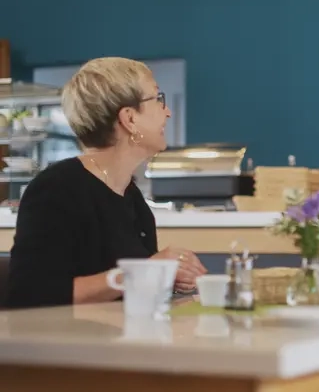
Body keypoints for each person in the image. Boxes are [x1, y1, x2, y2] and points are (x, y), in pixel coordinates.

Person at [7, 57, 207, 309]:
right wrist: (146, 271)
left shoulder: (131, 197)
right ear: (129, 118)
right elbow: (30, 294)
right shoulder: (56, 189)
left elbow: (130, 291)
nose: (167, 111)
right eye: (158, 99)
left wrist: (169, 278)